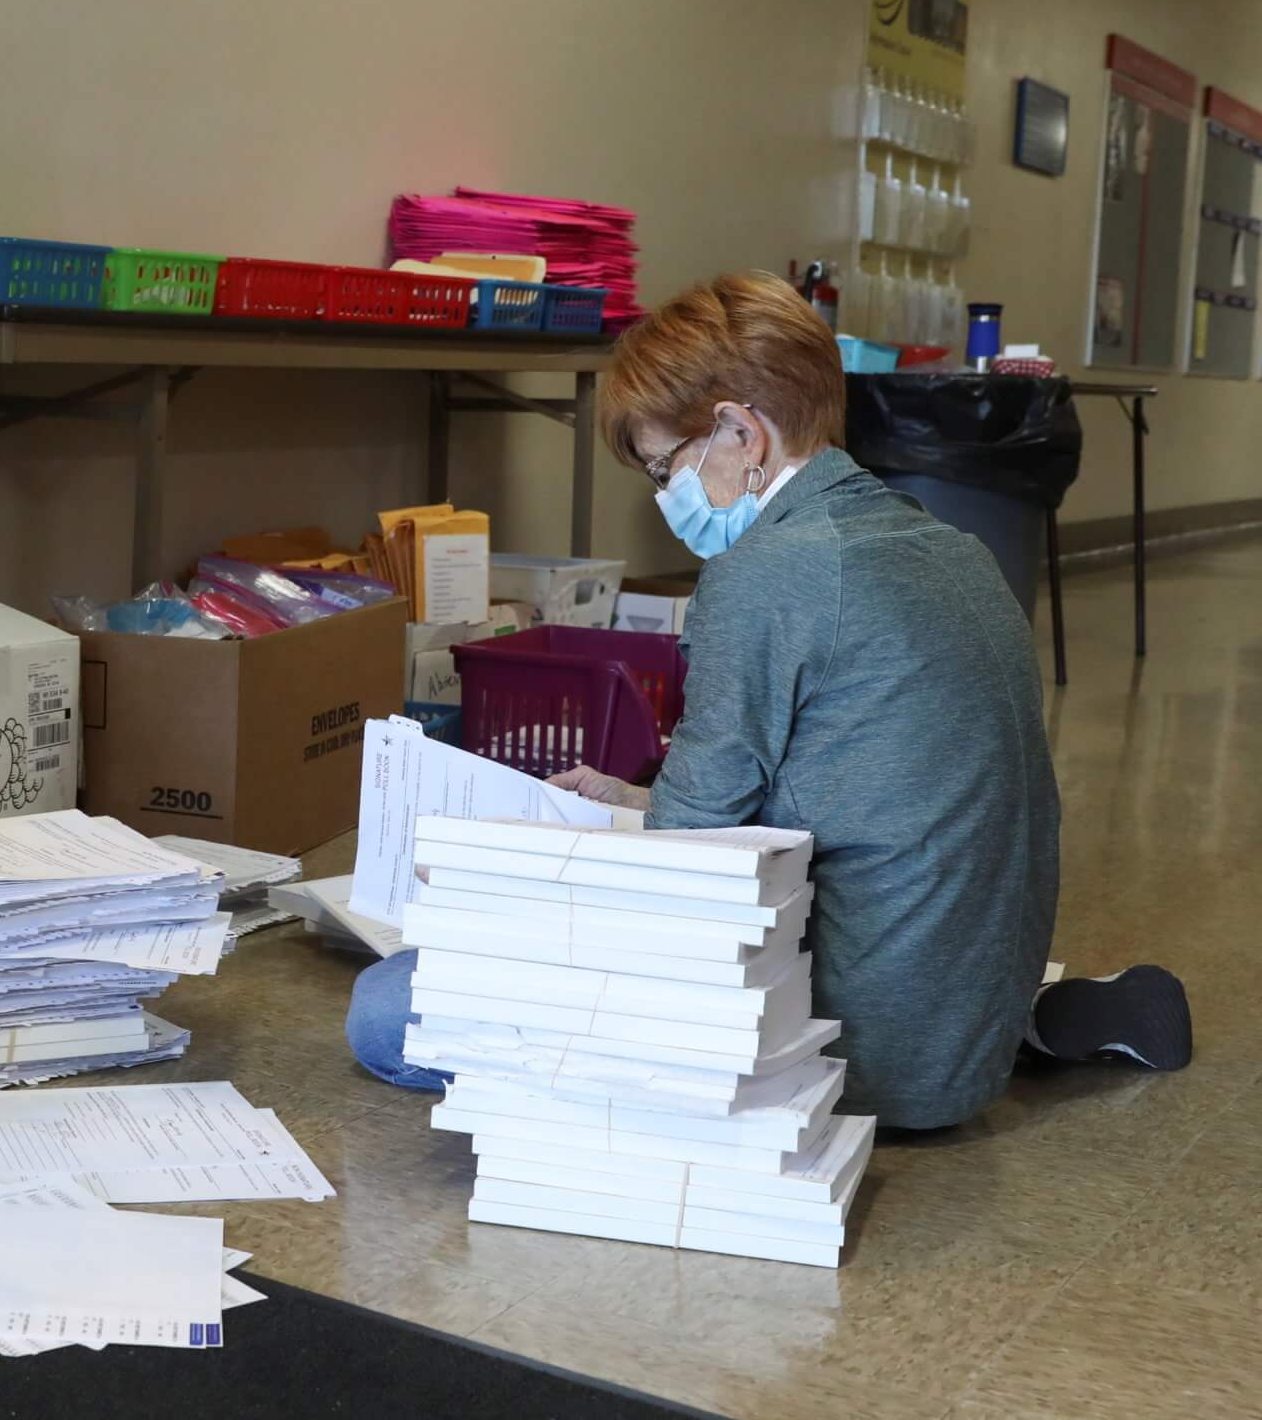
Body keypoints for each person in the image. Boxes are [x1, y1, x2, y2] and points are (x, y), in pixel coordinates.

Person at [348, 272, 1189, 1127]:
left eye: (664, 466)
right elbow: (841, 776)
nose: (665, 495)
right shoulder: (952, 548)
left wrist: (501, 882)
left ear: (742, 433)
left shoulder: (766, 573)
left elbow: (687, 860)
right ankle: (1033, 1019)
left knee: (386, 1008)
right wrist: (634, 800)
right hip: (964, 1014)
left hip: (858, 1056)